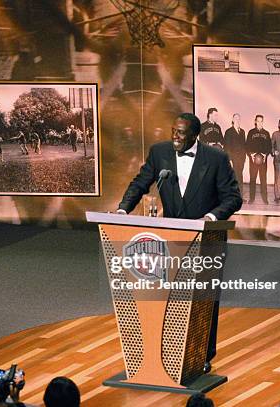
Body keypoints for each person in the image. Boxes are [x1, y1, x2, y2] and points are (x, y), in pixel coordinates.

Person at [117, 113, 242, 372]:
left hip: (207, 240)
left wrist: (210, 218)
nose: (175, 136)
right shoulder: (159, 152)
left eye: (181, 133)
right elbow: (141, 182)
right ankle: (168, 354)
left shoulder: (216, 158)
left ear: (195, 135)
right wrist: (122, 210)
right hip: (170, 240)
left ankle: (201, 355)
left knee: (203, 300)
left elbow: (233, 198)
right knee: (170, 298)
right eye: (173, 131)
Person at [246, 114, 272, 204]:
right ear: (255, 121)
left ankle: (265, 198)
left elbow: (269, 147)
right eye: (258, 121)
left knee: (263, 179)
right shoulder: (251, 132)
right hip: (253, 160)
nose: (260, 122)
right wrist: (252, 155)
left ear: (263, 122)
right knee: (252, 179)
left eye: (261, 121)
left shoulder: (266, 133)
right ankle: (252, 198)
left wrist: (265, 155)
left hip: (263, 161)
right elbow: (247, 146)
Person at [223, 113, 246, 197]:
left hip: (241, 159)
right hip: (233, 159)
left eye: (239, 119)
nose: (237, 120)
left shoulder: (242, 132)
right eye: (236, 119)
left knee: (240, 177)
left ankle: (240, 196)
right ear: (233, 120)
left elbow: (244, 145)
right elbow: (227, 147)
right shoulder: (228, 131)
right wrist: (230, 160)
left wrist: (244, 158)